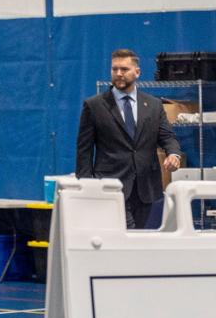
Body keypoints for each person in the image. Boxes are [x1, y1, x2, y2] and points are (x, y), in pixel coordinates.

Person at [76, 49, 182, 229]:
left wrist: (173, 154)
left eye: (124, 69)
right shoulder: (94, 106)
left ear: (137, 72)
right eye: (114, 69)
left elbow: (166, 136)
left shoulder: (154, 105)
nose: (118, 74)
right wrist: (86, 187)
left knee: (139, 239)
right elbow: (84, 150)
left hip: (146, 187)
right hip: (110, 186)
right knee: (126, 235)